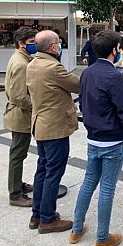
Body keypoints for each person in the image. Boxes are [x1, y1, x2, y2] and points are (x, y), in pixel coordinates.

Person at [70, 30, 123, 246]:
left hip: (94, 138)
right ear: (115, 50)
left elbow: (84, 102)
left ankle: (76, 228)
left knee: (88, 182)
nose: (121, 51)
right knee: (107, 187)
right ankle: (102, 237)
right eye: (120, 47)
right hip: (113, 139)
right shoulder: (114, 76)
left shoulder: (87, 73)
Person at [26, 30, 80, 233]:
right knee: (53, 174)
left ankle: (37, 214)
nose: (60, 46)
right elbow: (76, 84)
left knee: (42, 170)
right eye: (58, 43)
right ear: (53, 47)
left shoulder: (33, 64)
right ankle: (48, 220)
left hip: (40, 125)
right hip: (54, 127)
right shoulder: (53, 67)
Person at [4, 27, 38, 207]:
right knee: (17, 155)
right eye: (32, 43)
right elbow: (17, 96)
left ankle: (18, 185)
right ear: (21, 44)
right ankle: (15, 194)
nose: (35, 46)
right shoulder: (21, 64)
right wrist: (38, 106)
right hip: (20, 116)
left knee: (19, 154)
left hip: (20, 115)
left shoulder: (21, 59)